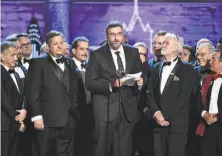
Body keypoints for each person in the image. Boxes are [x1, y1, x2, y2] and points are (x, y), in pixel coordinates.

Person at [85, 20, 143, 156]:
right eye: (112, 34)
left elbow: (140, 74)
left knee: (124, 150)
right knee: (102, 149)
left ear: (123, 35)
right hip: (105, 110)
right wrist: (110, 85)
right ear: (107, 36)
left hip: (127, 109)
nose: (116, 38)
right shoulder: (96, 54)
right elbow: (89, 83)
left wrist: (141, 82)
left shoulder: (133, 52)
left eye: (119, 34)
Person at [25, 30, 80, 156]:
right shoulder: (38, 62)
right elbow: (32, 91)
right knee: (43, 152)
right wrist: (37, 116)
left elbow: (73, 89)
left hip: (68, 119)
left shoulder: (70, 62)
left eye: (61, 42)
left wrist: (74, 113)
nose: (60, 46)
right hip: (46, 120)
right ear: (48, 46)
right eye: (55, 44)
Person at [146, 33, 200, 156]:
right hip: (157, 124)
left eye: (166, 43)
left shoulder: (188, 70)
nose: (162, 45)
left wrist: (164, 116)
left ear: (176, 48)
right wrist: (156, 113)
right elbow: (150, 93)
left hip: (177, 125)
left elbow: (185, 97)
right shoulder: (155, 68)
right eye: (162, 43)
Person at [1, 41, 27, 156]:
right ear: (2, 56)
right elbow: (3, 100)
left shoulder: (15, 74)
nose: (16, 58)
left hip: (15, 125)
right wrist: (18, 120)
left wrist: (24, 110)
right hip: (4, 126)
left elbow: (21, 97)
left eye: (16, 55)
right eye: (12, 55)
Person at [71, 36, 94, 156]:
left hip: (89, 114)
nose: (85, 52)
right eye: (82, 49)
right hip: (74, 115)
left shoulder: (91, 67)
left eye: (87, 49)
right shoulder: (69, 67)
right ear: (74, 51)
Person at [197, 49, 222, 156]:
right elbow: (197, 100)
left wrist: (217, 117)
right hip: (207, 125)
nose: (210, 61)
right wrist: (204, 114)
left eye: (213, 59)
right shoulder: (207, 79)